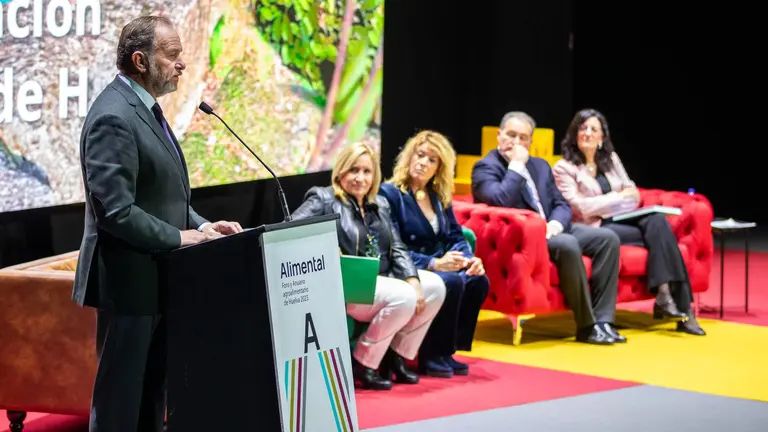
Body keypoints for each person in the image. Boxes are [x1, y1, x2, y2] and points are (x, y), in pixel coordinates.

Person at [72, 16, 244, 432]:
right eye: (172, 55)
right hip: (128, 286)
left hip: (159, 282)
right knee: (120, 405)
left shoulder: (147, 111)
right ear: (140, 60)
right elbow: (117, 212)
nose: (182, 64)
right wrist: (180, 237)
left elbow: (166, 200)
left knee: (152, 401)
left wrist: (204, 227)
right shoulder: (113, 116)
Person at [292, 142, 446, 390]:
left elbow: (396, 247)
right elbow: (288, 229)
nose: (360, 178)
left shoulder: (379, 204)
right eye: (353, 170)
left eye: (367, 172)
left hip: (381, 280)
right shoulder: (323, 198)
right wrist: (324, 250)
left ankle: (397, 355)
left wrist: (413, 280)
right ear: (340, 171)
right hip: (348, 287)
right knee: (404, 296)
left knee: (435, 287)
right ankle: (363, 362)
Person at [471, 111, 622, 345]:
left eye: (523, 137)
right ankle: (586, 326)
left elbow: (561, 203)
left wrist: (555, 223)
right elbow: (500, 200)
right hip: (523, 238)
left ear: (531, 141)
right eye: (511, 135)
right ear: (499, 136)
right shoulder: (486, 167)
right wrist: (516, 166)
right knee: (568, 244)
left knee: (607, 238)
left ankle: (604, 321)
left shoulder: (540, 166)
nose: (517, 143)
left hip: (552, 230)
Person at [552, 108, 705, 335]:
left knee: (657, 222)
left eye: (594, 129)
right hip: (593, 228)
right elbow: (581, 209)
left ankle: (667, 295)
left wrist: (612, 202)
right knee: (662, 233)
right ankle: (682, 310)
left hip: (619, 219)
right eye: (582, 128)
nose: (588, 133)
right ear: (574, 134)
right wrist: (617, 198)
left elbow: (633, 196)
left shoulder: (611, 160)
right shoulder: (563, 168)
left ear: (602, 137)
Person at [379, 130, 489, 377]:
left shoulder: (438, 195)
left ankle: (448, 350)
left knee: (477, 280)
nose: (423, 163)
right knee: (450, 281)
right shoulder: (390, 194)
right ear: (409, 156)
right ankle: (431, 354)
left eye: (432, 160)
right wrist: (434, 263)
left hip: (439, 263)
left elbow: (455, 237)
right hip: (409, 265)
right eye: (420, 155)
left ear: (439, 167)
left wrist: (468, 259)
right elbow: (393, 246)